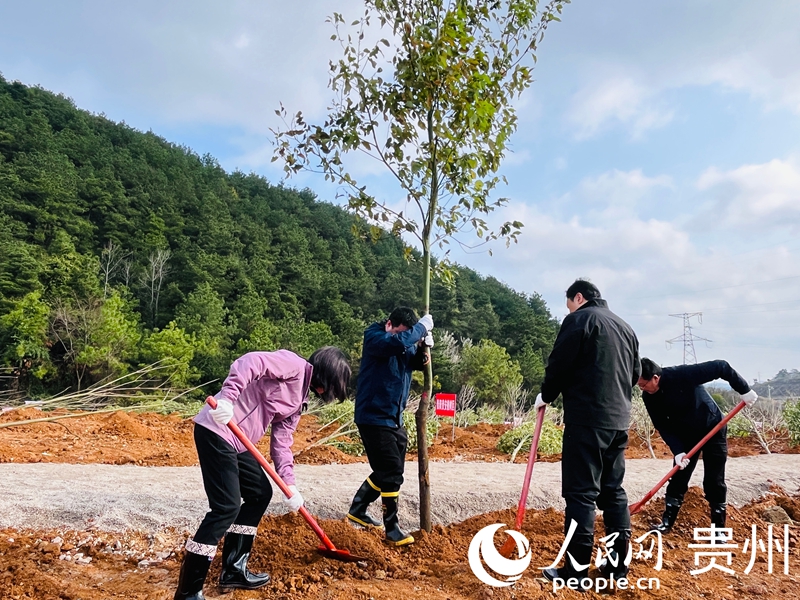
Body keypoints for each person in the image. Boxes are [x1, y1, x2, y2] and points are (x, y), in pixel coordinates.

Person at [173, 347, 351, 600]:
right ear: (326, 374)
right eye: (331, 386)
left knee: (259, 494)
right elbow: (251, 361)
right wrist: (228, 399)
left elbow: (282, 443)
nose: (326, 393)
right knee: (225, 508)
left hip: (238, 441)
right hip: (217, 428)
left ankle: (234, 570)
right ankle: (188, 592)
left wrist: (290, 485)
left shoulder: (300, 401)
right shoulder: (293, 366)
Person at [537, 280, 640, 584]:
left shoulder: (579, 320)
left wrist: (546, 394)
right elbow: (635, 374)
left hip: (587, 420)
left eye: (569, 304)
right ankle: (617, 567)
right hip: (619, 422)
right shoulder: (625, 327)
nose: (569, 310)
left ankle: (576, 571)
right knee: (613, 493)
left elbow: (559, 363)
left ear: (579, 297)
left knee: (581, 494)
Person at [637, 357, 758, 536]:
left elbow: (721, 366)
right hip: (685, 435)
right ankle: (666, 523)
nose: (642, 388)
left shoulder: (681, 374)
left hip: (713, 428)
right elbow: (662, 426)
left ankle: (719, 530)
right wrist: (678, 451)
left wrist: (744, 389)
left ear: (655, 377)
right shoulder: (649, 397)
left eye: (643, 384)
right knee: (678, 478)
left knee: (714, 480)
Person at [346, 307, 433, 546]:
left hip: (395, 418)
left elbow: (411, 360)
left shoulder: (403, 341)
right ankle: (392, 528)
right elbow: (396, 344)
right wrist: (421, 329)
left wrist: (422, 352)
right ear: (389, 324)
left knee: (390, 470)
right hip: (374, 417)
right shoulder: (375, 337)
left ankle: (358, 508)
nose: (402, 337)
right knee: (391, 471)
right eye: (399, 332)